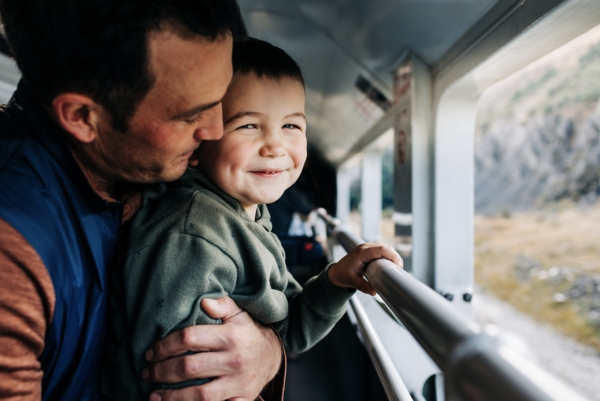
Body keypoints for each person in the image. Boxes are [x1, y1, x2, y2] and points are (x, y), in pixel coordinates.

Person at [0, 1, 287, 400]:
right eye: (192, 115)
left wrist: (266, 353)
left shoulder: (158, 170)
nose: (216, 130)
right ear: (83, 116)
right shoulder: (12, 255)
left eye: (222, 100)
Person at [102, 36, 403, 400]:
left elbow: (287, 329)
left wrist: (337, 281)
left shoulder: (247, 214)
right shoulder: (193, 233)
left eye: (291, 126)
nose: (274, 145)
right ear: (200, 141)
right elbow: (184, 377)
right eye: (248, 125)